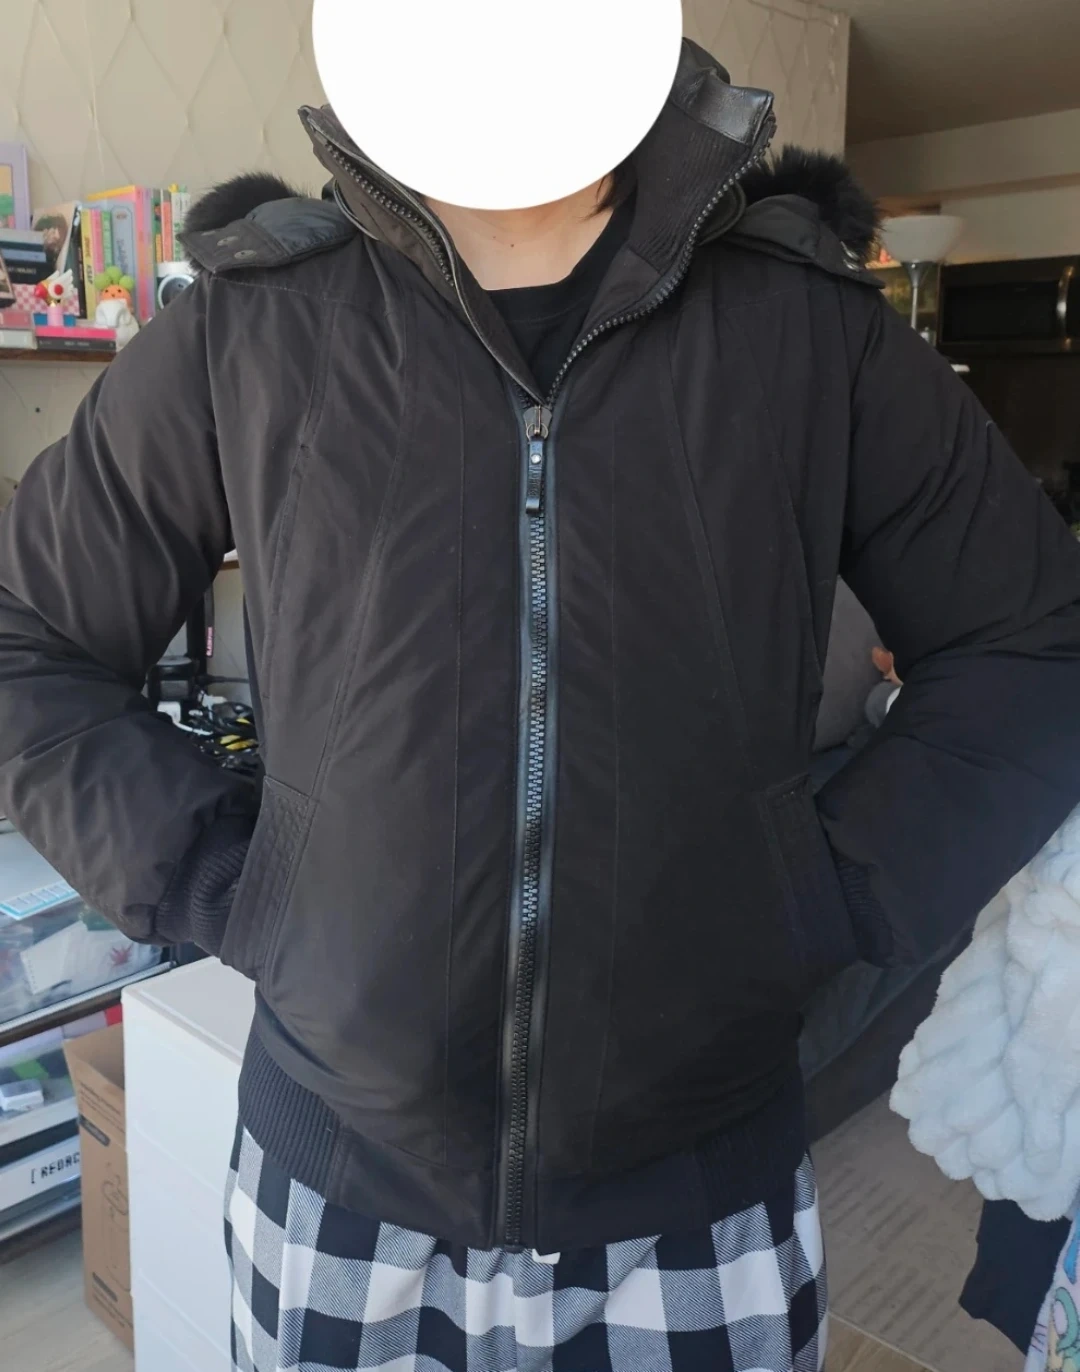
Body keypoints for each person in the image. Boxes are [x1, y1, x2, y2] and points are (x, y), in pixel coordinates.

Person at [1, 27, 1079, 1372]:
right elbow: (29, 640)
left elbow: (1035, 641)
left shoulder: (806, 325)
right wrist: (234, 882)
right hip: (341, 1196)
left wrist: (831, 886)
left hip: (698, 1198)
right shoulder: (252, 320)